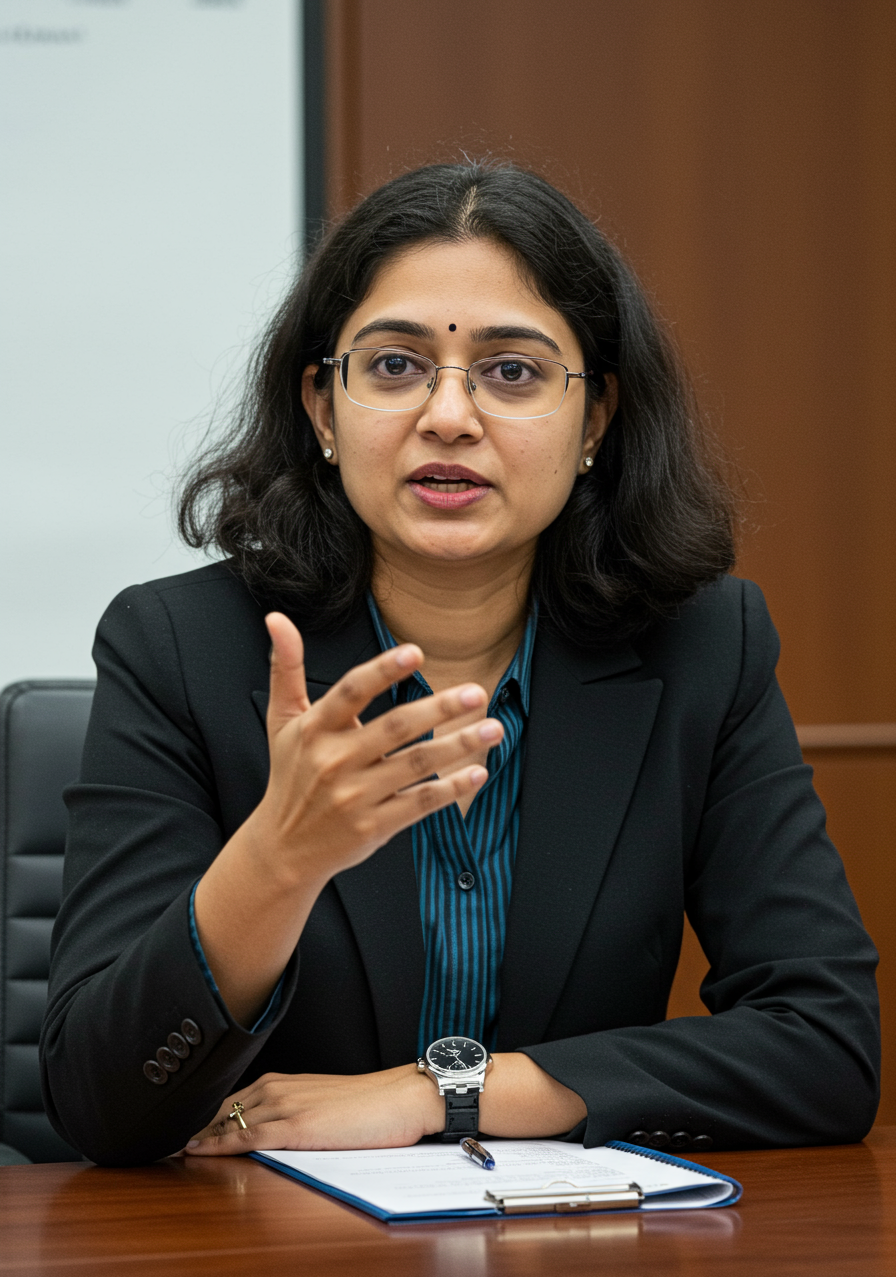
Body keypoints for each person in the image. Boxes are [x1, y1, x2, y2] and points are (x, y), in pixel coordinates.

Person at [41, 161, 879, 1167]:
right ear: (321, 406)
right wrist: (279, 858)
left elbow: (824, 1046)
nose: (447, 414)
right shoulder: (180, 647)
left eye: (511, 371)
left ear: (595, 420)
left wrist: (443, 1093)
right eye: (393, 366)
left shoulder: (703, 647)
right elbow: (97, 1105)